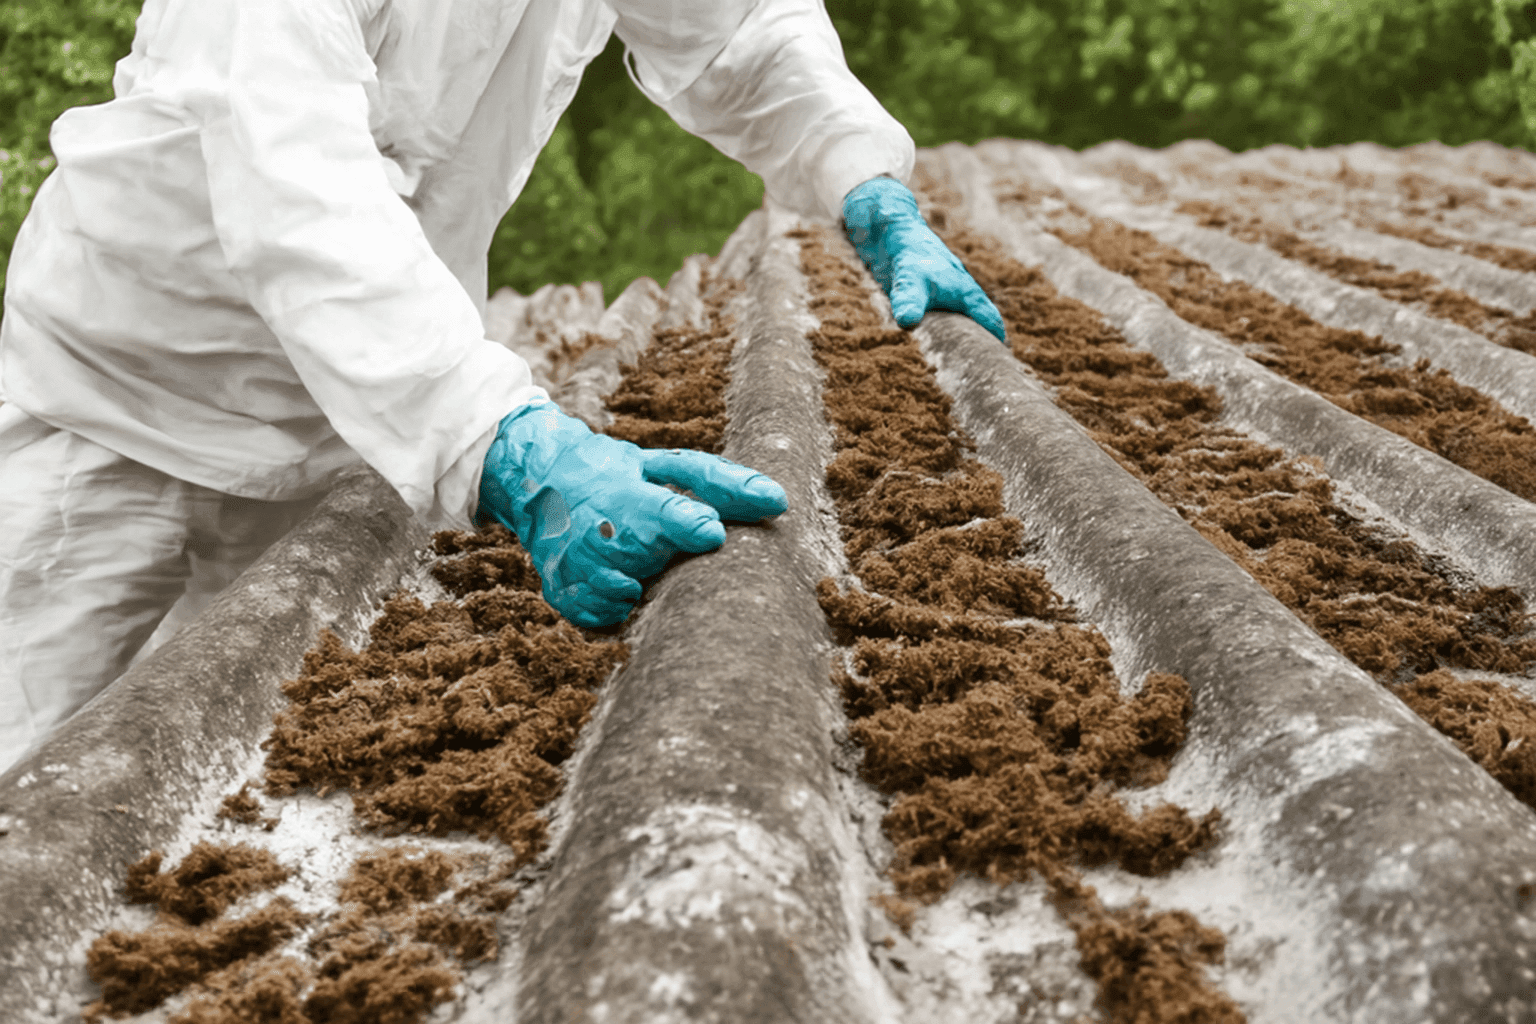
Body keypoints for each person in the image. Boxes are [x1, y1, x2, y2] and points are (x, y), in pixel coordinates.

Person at [0, 0, 1004, 770]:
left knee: (214, 762)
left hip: (348, 419)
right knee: (33, 761)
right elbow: (293, 186)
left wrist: (863, 180)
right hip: (122, 405)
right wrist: (514, 448)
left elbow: (741, 35)